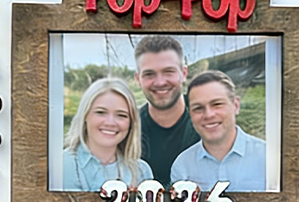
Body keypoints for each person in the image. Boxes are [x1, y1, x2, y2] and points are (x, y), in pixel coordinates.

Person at [170, 70, 266, 192]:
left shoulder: (267, 158)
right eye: (198, 108)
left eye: (217, 104)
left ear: (236, 106)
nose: (208, 115)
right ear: (190, 114)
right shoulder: (183, 166)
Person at [63, 77, 153, 191]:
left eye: (121, 115)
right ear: (85, 116)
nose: (110, 123)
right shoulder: (60, 166)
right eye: (100, 112)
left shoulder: (141, 171)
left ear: (131, 123)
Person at [133, 35, 198, 188]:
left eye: (168, 72)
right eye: (149, 74)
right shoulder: (127, 129)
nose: (160, 82)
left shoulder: (207, 123)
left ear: (184, 73)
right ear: (138, 78)